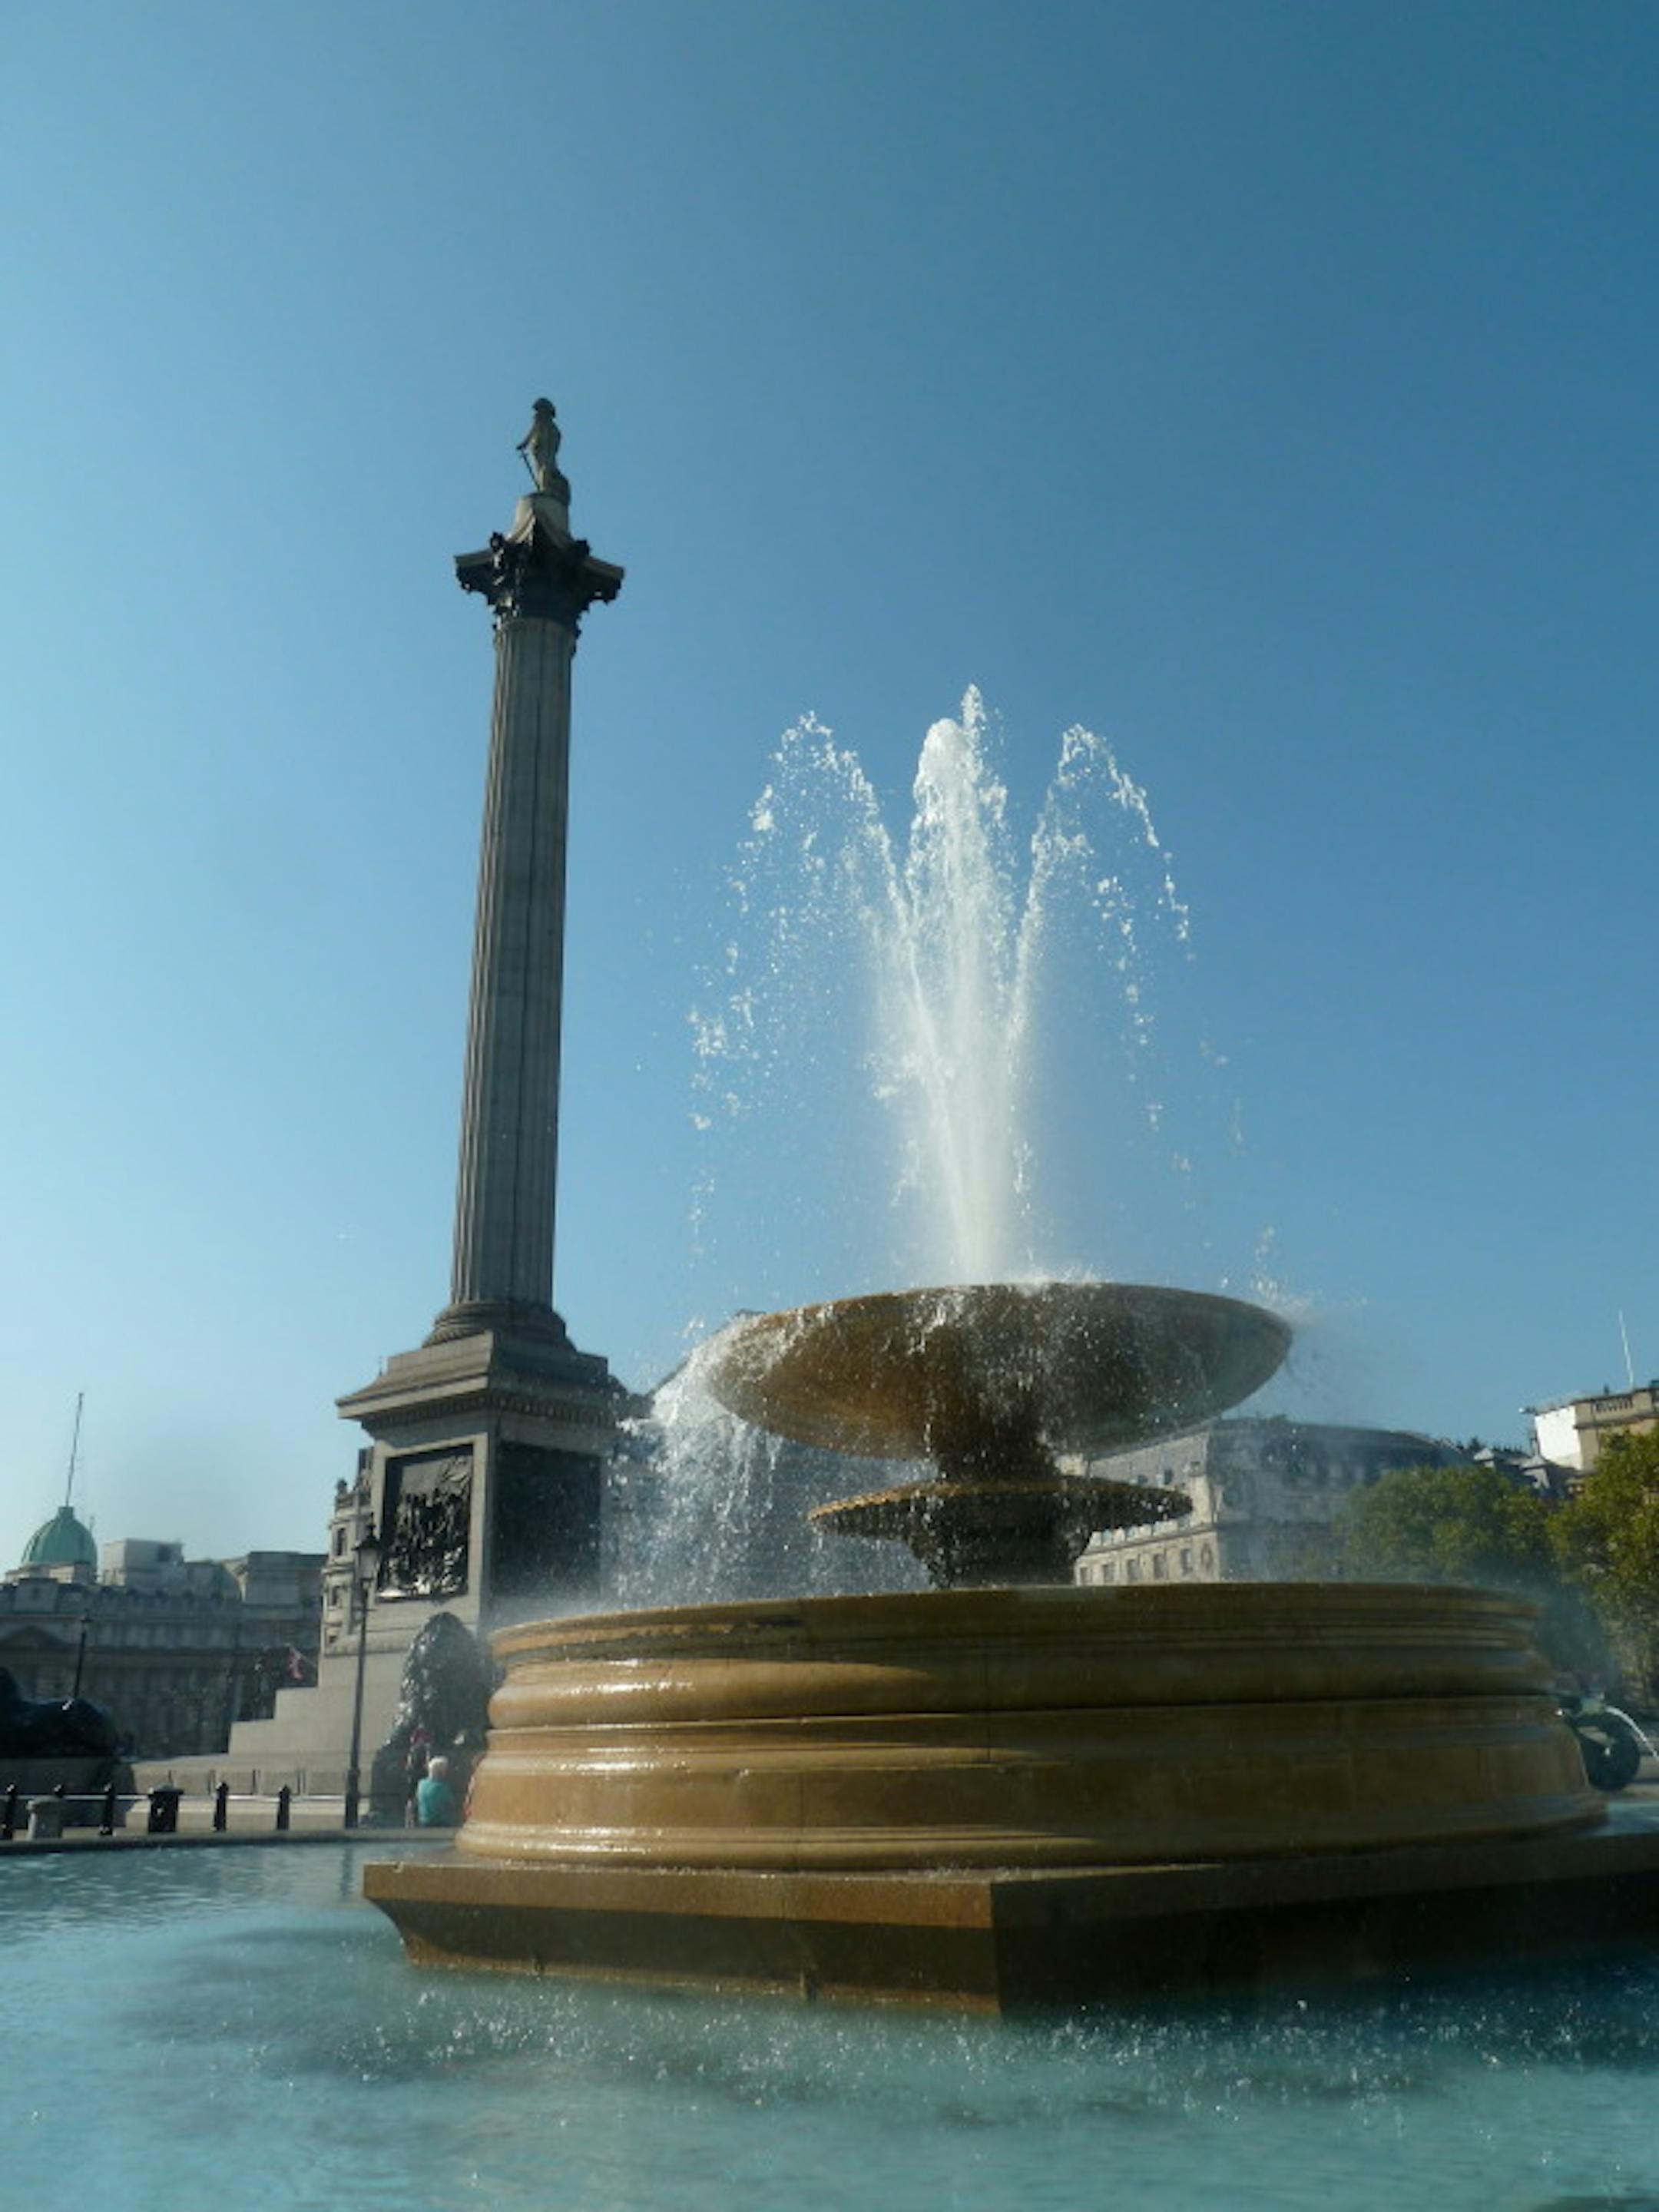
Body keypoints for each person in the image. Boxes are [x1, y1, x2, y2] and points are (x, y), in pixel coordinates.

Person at [414, 1753, 459, 1828]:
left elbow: (417, 1800)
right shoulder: (442, 1787)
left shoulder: (421, 1784)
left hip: (424, 1821)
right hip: (441, 1823)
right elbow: (451, 1805)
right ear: (441, 1771)